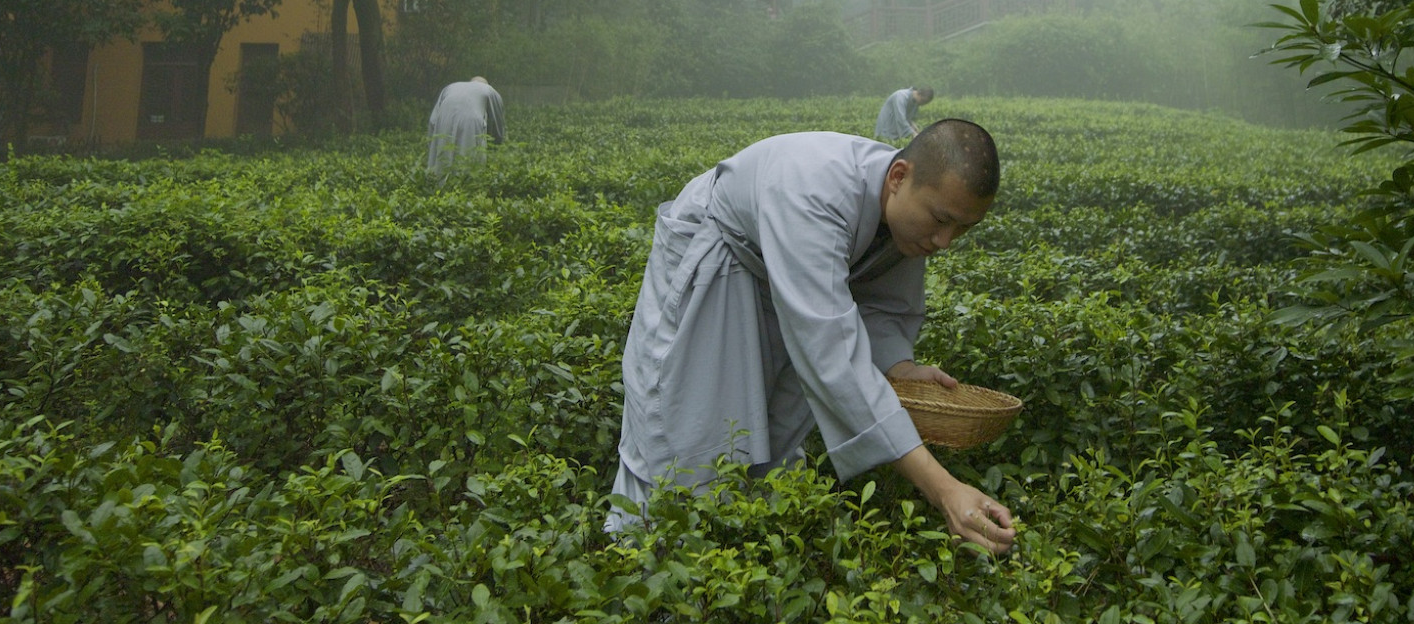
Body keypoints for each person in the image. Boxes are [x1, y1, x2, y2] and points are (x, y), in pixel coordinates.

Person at [607, 118, 1017, 554]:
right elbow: (832, 354)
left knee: (768, 442)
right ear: (898, 178)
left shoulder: (906, 218)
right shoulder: (813, 193)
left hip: (779, 286)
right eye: (941, 220)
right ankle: (638, 570)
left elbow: (878, 307)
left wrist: (902, 369)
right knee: (685, 438)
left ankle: (733, 569)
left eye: (963, 229)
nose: (945, 241)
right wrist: (944, 490)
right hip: (721, 269)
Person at [425, 76, 505, 179]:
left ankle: (439, 185)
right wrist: (496, 144)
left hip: (444, 118)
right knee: (470, 156)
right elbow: (496, 119)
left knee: (443, 154)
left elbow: (432, 121)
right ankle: (466, 186)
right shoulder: (488, 89)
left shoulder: (449, 87)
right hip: (472, 120)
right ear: (486, 84)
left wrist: (432, 144)